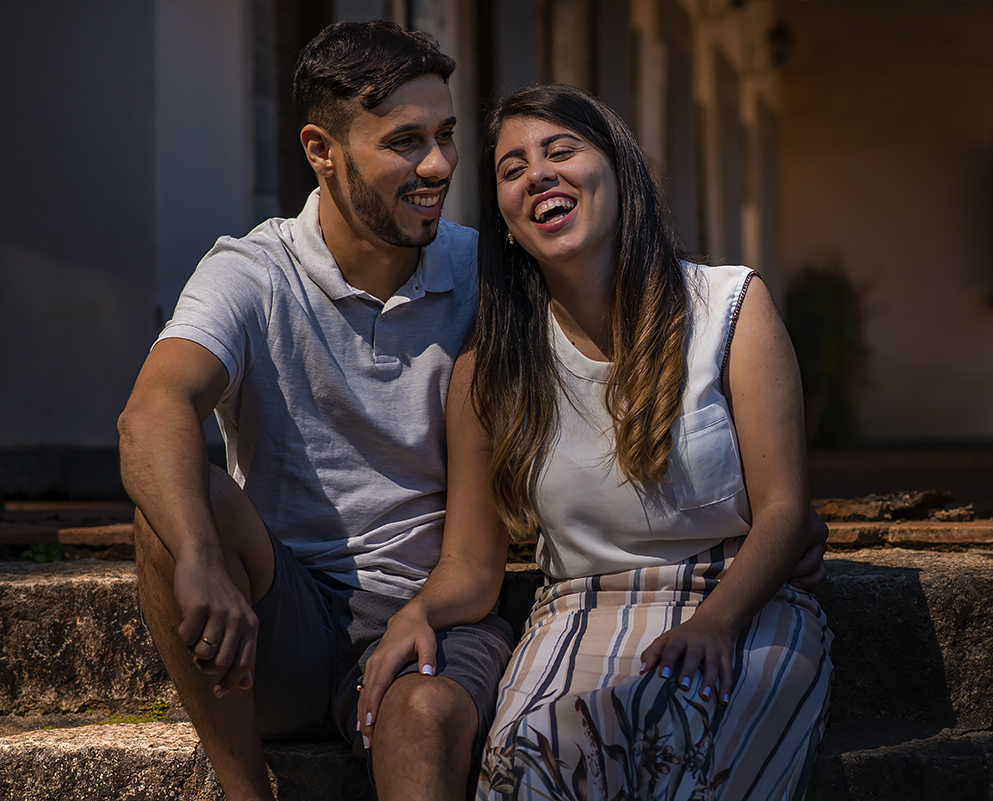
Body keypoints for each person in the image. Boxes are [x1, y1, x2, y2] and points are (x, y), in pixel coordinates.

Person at [117, 21, 514, 801]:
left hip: (434, 607)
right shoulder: (252, 271)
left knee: (428, 712)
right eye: (405, 142)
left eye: (445, 135)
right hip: (282, 615)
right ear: (320, 150)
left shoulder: (485, 274)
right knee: (174, 501)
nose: (437, 165)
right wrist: (198, 554)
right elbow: (153, 407)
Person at [458, 85, 835, 800]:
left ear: (621, 173)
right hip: (576, 611)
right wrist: (409, 619)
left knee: (674, 738)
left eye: (561, 150)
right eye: (512, 168)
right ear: (505, 222)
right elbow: (469, 560)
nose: (537, 173)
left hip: (739, 604)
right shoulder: (496, 363)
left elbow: (786, 509)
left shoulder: (729, 306)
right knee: (530, 758)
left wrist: (717, 624)